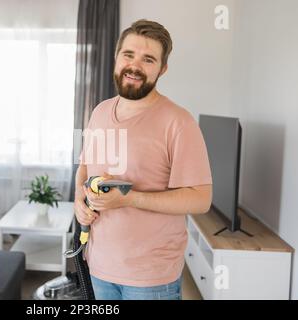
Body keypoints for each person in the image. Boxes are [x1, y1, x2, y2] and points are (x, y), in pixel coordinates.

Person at [74, 19, 213, 300]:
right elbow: (86, 167)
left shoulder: (179, 122)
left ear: (162, 69)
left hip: (150, 277)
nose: (135, 66)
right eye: (128, 54)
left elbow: (201, 199)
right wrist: (79, 200)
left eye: (148, 59)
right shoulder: (100, 111)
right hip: (99, 265)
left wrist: (129, 198)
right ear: (116, 57)